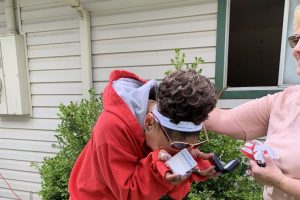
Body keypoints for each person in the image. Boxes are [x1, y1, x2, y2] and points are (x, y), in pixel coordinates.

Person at [68, 69, 218, 200]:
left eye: (192, 144)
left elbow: (172, 186)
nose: (181, 151)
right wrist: (159, 170)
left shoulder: (161, 126)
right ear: (149, 123)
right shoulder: (111, 127)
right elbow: (128, 194)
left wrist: (190, 164)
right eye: (178, 146)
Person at [204, 5, 300, 200]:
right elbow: (224, 118)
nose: (297, 49)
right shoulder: (284, 101)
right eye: (296, 40)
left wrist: (279, 181)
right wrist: (160, 98)